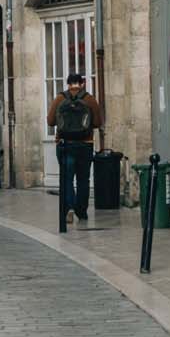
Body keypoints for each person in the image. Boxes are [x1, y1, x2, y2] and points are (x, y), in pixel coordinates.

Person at [48, 68, 100, 223]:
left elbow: (50, 121)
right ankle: (82, 212)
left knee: (67, 178)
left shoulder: (59, 99)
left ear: (68, 84)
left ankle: (69, 207)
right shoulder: (90, 99)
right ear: (82, 83)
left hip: (65, 145)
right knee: (83, 179)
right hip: (85, 145)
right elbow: (98, 122)